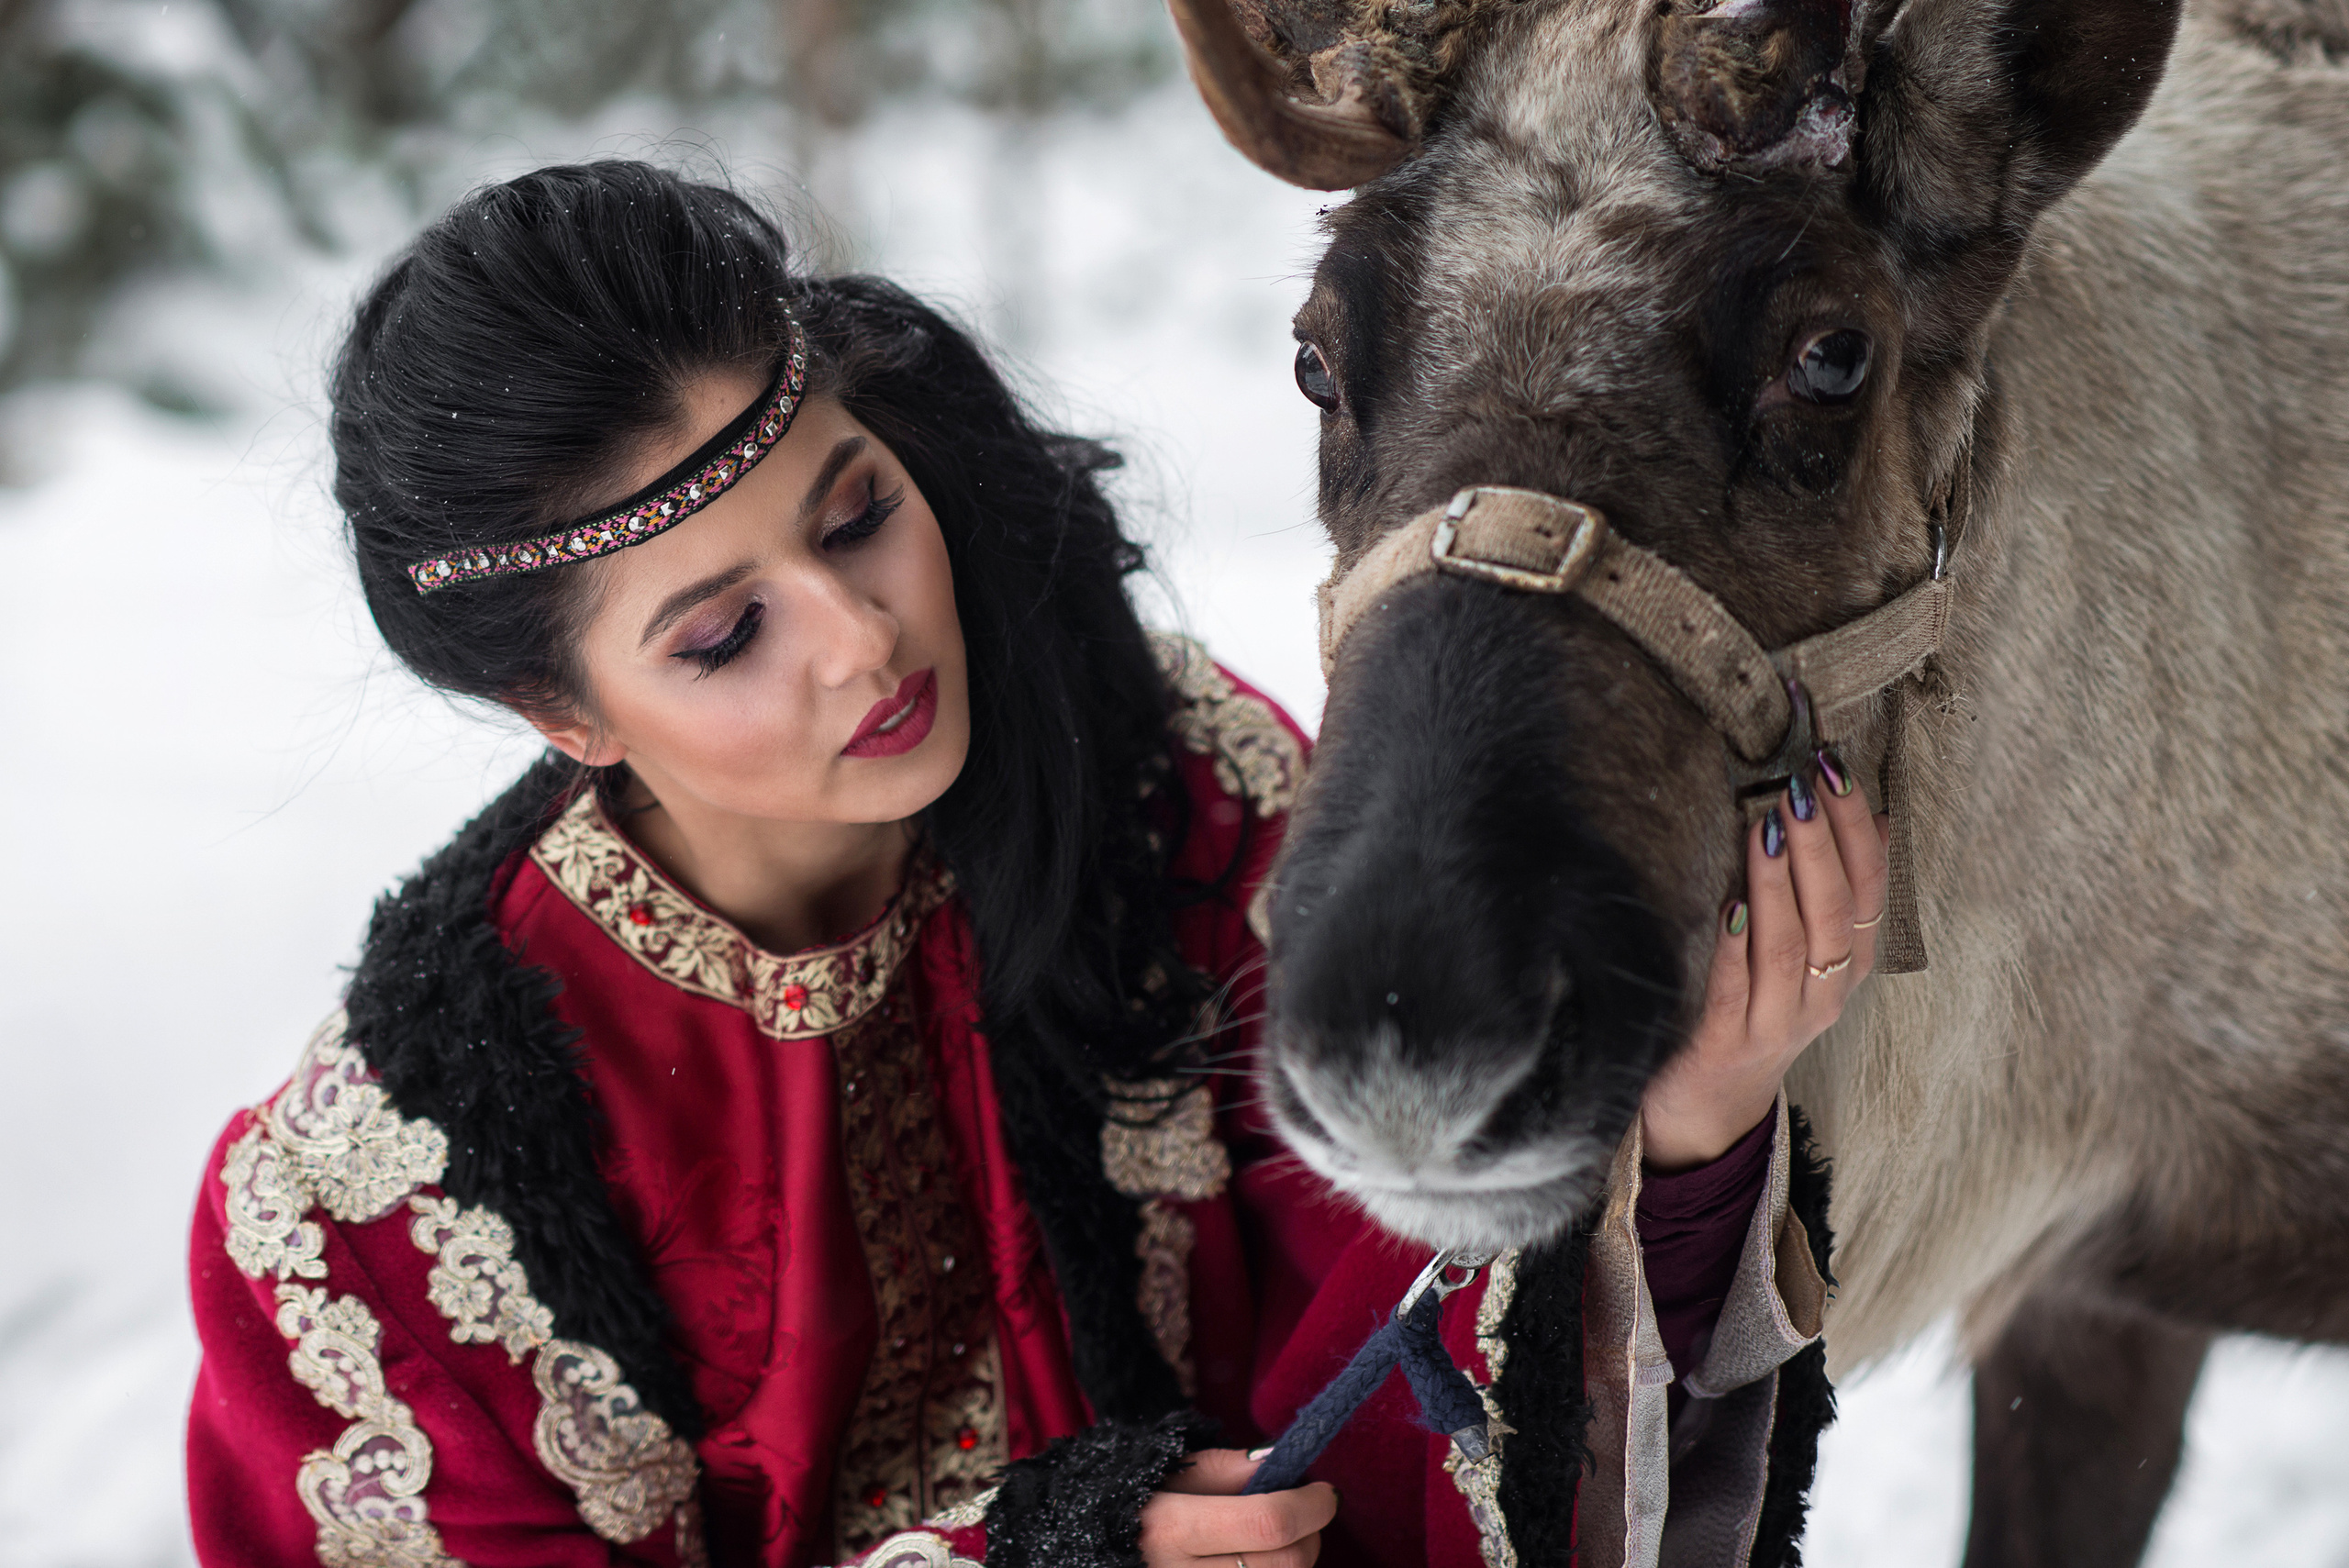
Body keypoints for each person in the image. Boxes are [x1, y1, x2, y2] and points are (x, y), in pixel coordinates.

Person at [184, 160, 1887, 1568]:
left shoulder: (1179, 804)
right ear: (562, 711)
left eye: (855, 514)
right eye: (723, 635)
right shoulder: (379, 1209)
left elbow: (1407, 1378)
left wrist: (1679, 1135)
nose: (864, 638)